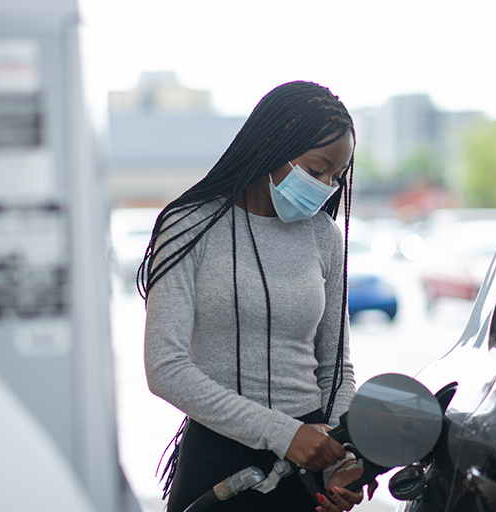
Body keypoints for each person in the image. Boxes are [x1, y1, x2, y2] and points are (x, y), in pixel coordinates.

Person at [140, 81, 372, 512]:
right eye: (316, 169)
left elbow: (336, 365)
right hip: (216, 455)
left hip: (310, 462)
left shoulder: (324, 237)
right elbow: (165, 368)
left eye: (336, 177)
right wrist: (283, 434)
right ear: (270, 145)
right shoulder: (188, 226)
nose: (326, 186)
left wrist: (343, 458)